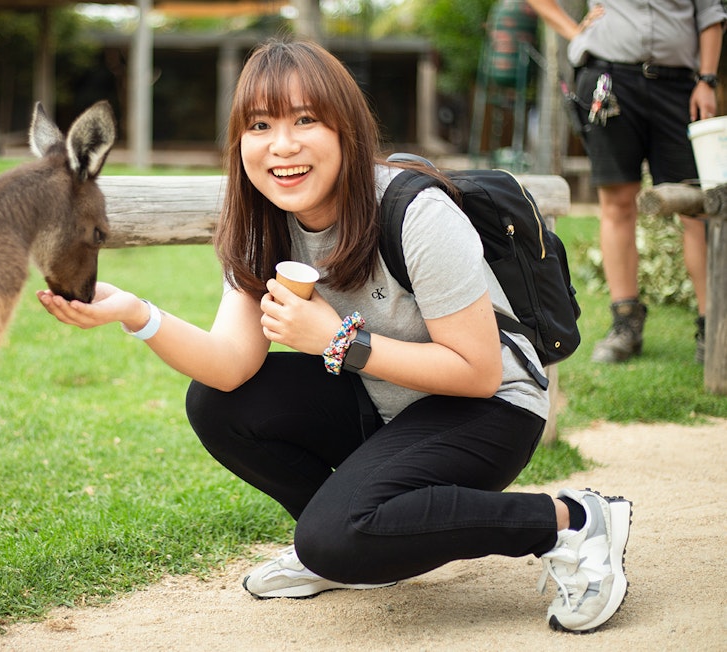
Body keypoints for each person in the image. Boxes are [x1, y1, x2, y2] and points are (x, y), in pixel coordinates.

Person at [38, 38, 632, 633]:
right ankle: (355, 548)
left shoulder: (414, 211)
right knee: (217, 404)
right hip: (386, 400)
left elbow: (477, 371)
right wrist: (135, 313)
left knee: (332, 535)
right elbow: (227, 366)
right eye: (260, 124)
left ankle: (572, 522)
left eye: (305, 120)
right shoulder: (259, 224)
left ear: (346, 130)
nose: (282, 145)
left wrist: (339, 342)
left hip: (490, 409)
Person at [527, 0, 726, 364]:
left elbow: (711, 14)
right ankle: (625, 324)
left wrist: (707, 79)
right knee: (618, 205)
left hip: (682, 87)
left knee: (698, 207)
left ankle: (713, 327)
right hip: (609, 82)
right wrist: (576, 33)